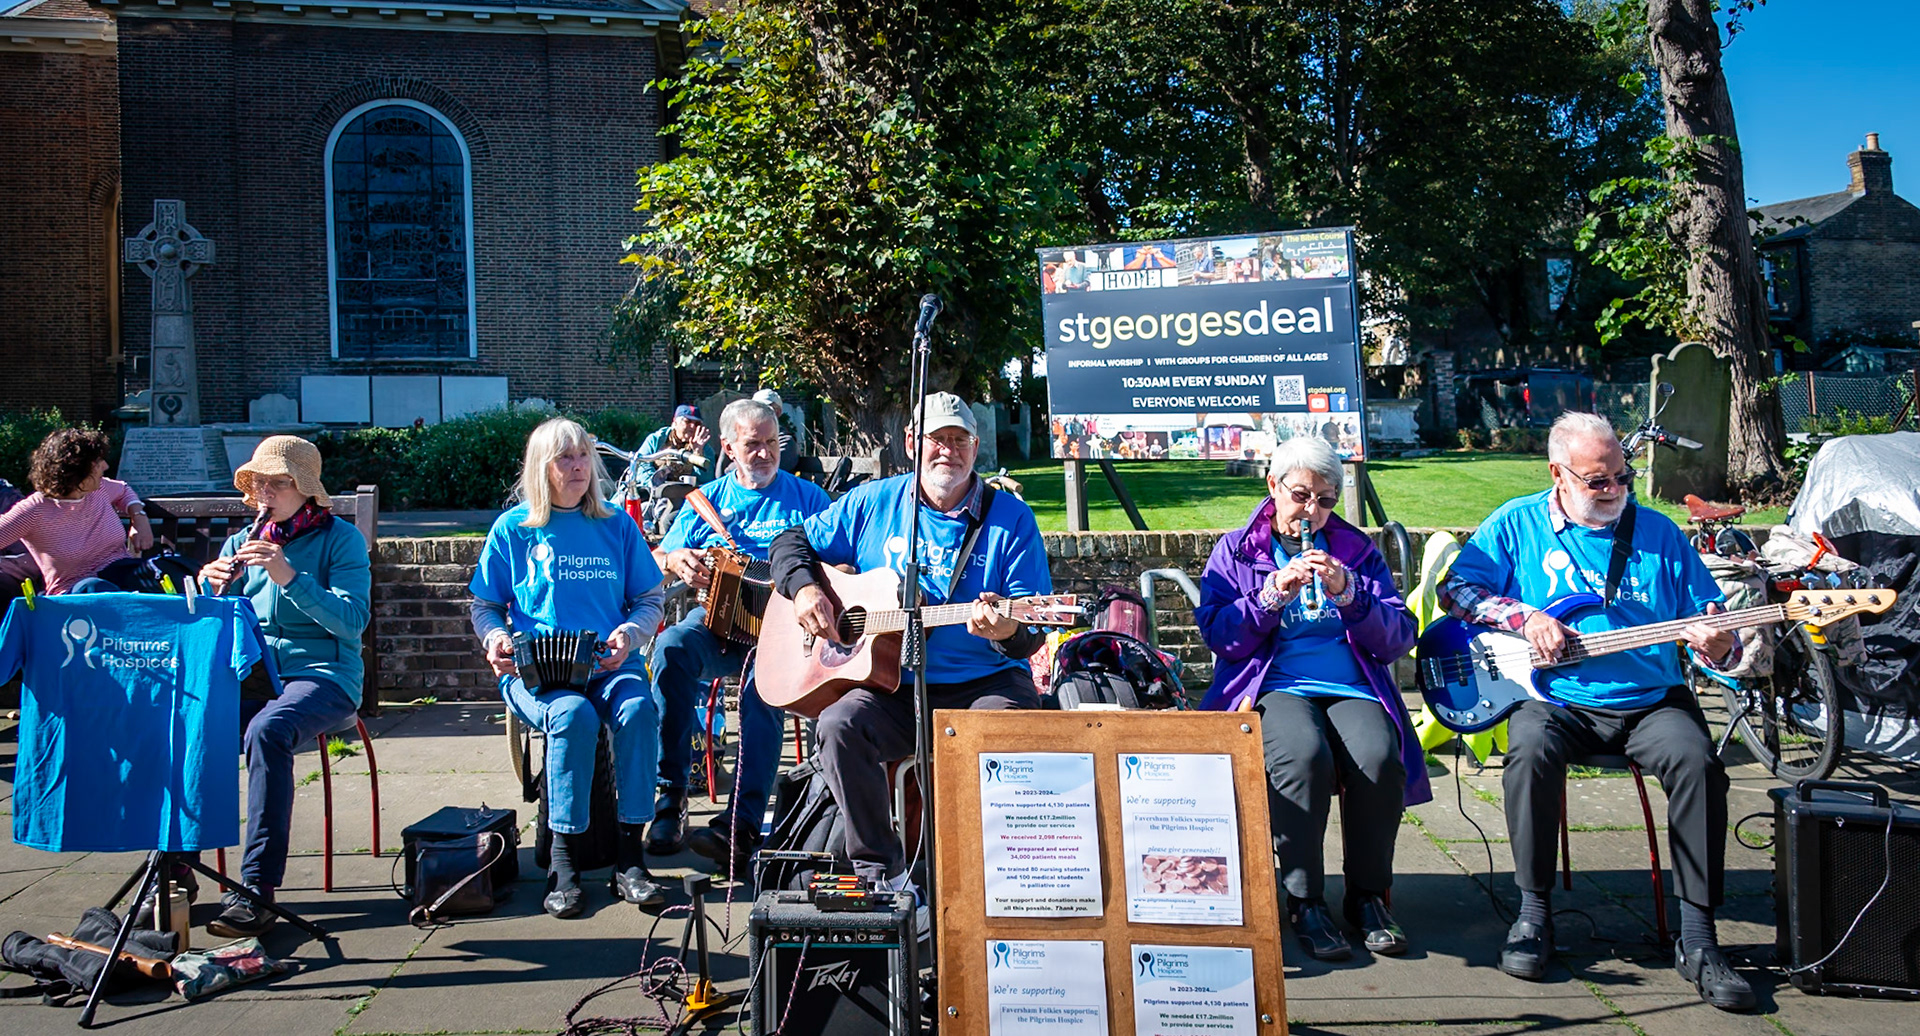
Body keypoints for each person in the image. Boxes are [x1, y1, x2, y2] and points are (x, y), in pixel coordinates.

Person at [1439, 412, 1752, 1011]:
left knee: (1699, 763)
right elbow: (1457, 591)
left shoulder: (1660, 534)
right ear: (1558, 473)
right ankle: (1533, 914)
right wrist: (1525, 618)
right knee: (1527, 751)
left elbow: (1718, 635)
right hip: (1554, 699)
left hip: (1650, 700)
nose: (1613, 490)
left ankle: (1699, 937)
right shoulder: (1516, 523)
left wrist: (1722, 645)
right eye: (1596, 480)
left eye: (1620, 476)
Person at [769, 392, 1052, 906]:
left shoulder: (1011, 519)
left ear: (975, 446)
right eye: (936, 440)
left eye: (959, 440)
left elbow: (1033, 633)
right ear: (910, 444)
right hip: (893, 684)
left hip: (981, 683)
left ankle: (995, 880)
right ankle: (882, 872)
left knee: (1001, 734)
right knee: (838, 725)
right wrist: (807, 589)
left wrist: (1005, 631)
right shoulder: (874, 502)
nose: (948, 451)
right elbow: (790, 543)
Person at [1196, 437, 1427, 961]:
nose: (1313, 511)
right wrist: (1272, 593)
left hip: (1349, 684)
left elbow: (1396, 638)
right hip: (1274, 685)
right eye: (1302, 496)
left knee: (1378, 755)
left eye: (1326, 500)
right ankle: (1304, 898)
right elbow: (1221, 636)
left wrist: (1350, 592)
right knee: (1301, 756)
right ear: (1273, 486)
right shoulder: (1236, 550)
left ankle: (1367, 896)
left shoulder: (1358, 550)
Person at [470, 417, 668, 918]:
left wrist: (631, 634)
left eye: (583, 456)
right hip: (537, 672)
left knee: (639, 711)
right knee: (573, 717)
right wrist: (495, 637)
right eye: (565, 458)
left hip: (608, 664)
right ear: (542, 467)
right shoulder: (514, 529)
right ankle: (563, 865)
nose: (578, 467)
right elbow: (485, 605)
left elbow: (648, 598)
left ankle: (630, 856)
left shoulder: (617, 525)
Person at [646, 398, 831, 869]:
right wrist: (674, 561)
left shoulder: (808, 498)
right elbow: (653, 564)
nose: (765, 454)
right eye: (753, 445)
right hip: (720, 627)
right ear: (727, 446)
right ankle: (671, 795)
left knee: (761, 686)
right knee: (670, 647)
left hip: (788, 635)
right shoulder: (705, 503)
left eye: (772, 443)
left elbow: (845, 559)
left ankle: (742, 824)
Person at [197, 435, 370, 937]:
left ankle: (256, 890)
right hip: (253, 674)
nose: (264, 493)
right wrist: (211, 592)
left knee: (268, 732)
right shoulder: (238, 543)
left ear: (306, 489)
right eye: (258, 483)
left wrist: (289, 576)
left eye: (277, 482)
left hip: (323, 675)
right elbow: (216, 630)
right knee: (189, 727)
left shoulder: (340, 539)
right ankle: (177, 875)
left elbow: (351, 621)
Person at [0, 428, 154, 595]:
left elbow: (124, 490)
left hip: (121, 575)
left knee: (168, 572)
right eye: (98, 461)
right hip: (77, 595)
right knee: (97, 588)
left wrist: (139, 519)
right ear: (77, 468)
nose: (105, 466)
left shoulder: (99, 489)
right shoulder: (35, 509)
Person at [638, 405, 717, 490]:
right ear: (675, 423)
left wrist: (698, 452)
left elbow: (708, 481)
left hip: (688, 495)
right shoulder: (656, 440)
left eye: (697, 424)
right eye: (688, 421)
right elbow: (641, 465)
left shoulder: (705, 449)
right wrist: (655, 485)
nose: (692, 427)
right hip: (655, 493)